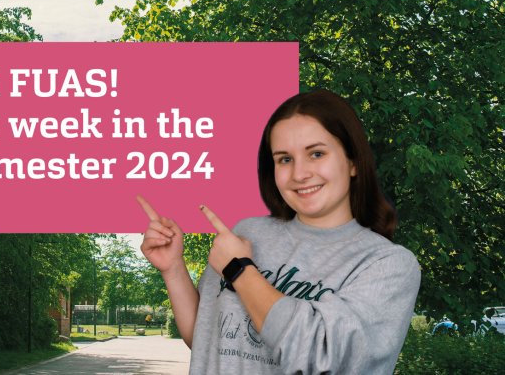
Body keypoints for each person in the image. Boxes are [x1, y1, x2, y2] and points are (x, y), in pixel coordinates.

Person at [138, 89, 421, 374]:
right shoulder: (246, 233)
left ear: (353, 161)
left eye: (316, 153)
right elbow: (206, 342)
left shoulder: (388, 265)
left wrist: (240, 270)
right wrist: (173, 268)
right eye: (285, 159)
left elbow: (322, 360)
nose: (299, 174)